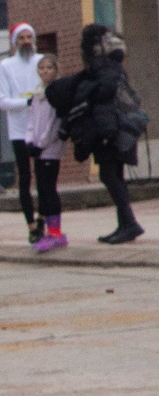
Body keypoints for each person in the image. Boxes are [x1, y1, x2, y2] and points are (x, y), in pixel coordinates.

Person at [48, 24, 147, 246]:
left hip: (109, 131)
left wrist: (86, 93)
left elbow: (103, 92)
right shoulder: (110, 67)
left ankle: (130, 223)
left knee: (109, 176)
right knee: (115, 176)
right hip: (117, 129)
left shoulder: (103, 68)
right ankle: (125, 225)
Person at [0, 23, 45, 241]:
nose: (26, 41)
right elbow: (3, 101)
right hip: (18, 130)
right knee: (25, 177)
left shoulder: (41, 61)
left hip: (42, 127)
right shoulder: (6, 65)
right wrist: (27, 102)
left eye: (29, 37)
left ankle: (43, 219)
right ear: (15, 42)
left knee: (44, 177)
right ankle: (31, 225)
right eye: (21, 38)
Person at [25, 54, 67, 253]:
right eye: (41, 67)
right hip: (37, 148)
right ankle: (50, 231)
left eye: (49, 67)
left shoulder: (56, 93)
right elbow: (32, 119)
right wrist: (28, 141)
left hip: (50, 148)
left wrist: (41, 144)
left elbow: (53, 124)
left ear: (56, 70)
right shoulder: (37, 94)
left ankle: (56, 233)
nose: (45, 71)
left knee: (50, 189)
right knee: (42, 189)